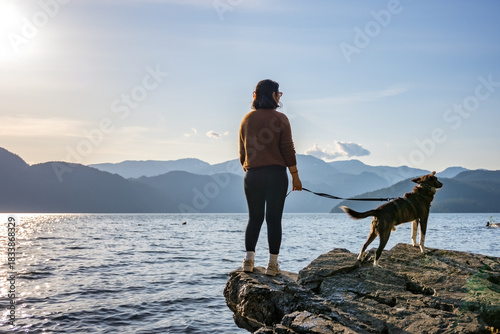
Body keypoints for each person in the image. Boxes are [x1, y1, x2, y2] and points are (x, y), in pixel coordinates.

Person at [239, 79, 302, 276]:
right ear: (273, 95)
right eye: (279, 93)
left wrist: (250, 168)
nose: (280, 97)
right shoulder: (281, 119)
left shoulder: (247, 119)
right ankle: (272, 265)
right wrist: (295, 177)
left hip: (252, 175)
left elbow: (242, 152)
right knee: (273, 220)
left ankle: (248, 261)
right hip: (276, 175)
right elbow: (287, 149)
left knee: (254, 218)